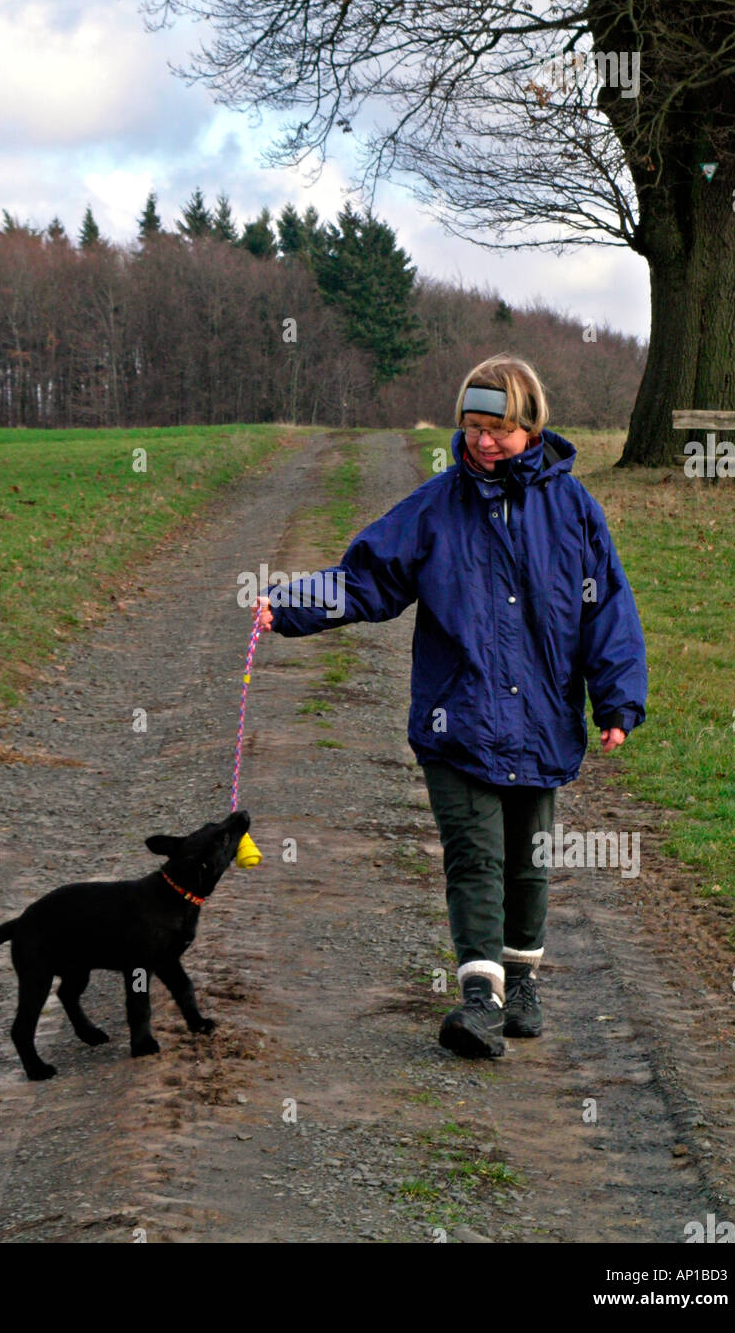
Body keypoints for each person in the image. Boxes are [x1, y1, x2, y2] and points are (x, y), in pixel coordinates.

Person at [253, 354, 647, 1060]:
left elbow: (607, 609)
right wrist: (289, 605)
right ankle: (480, 1002)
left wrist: (616, 698)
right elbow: (367, 579)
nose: (483, 443)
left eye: (498, 429)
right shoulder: (436, 507)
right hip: (455, 719)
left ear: (529, 425)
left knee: (528, 859)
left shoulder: (574, 510)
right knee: (475, 855)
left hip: (543, 720)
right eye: (471, 428)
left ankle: (522, 985)